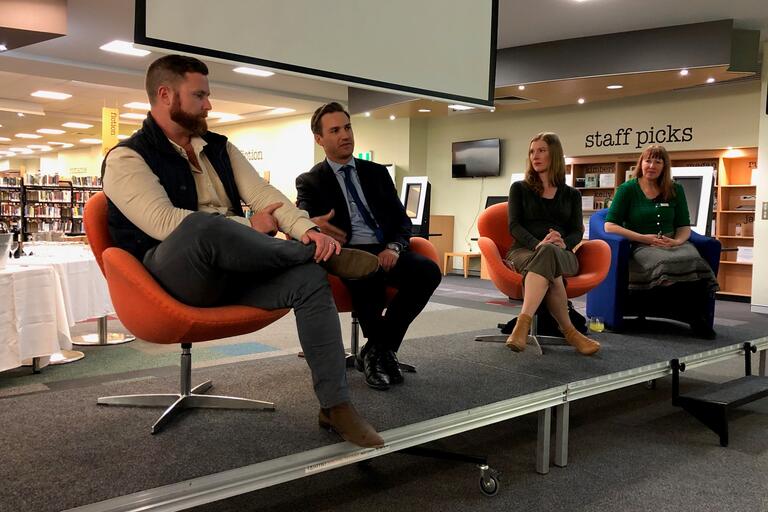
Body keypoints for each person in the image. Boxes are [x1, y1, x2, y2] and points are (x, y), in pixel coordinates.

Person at [102, 55, 384, 448]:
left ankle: (336, 406)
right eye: (199, 95)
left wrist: (308, 230)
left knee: (310, 280)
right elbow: (165, 223)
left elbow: (265, 196)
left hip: (234, 268)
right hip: (175, 277)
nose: (209, 104)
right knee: (199, 224)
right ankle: (313, 254)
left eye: (208, 95)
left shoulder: (218, 148)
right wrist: (249, 227)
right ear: (165, 95)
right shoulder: (126, 157)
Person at [296, 102, 442, 390]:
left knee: (428, 271)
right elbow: (302, 221)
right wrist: (312, 224)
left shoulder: (376, 173)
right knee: (367, 274)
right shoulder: (310, 181)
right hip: (347, 253)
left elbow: (402, 221)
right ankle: (381, 354)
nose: (344, 135)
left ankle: (376, 350)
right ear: (319, 139)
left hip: (386, 248)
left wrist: (394, 248)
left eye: (347, 127)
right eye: (335, 130)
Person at [604, 144, 719, 337]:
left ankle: (695, 317)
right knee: (665, 263)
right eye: (648, 160)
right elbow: (610, 226)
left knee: (696, 262)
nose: (652, 165)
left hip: (672, 243)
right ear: (641, 163)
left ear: (664, 166)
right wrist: (643, 238)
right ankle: (694, 316)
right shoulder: (627, 189)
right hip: (642, 245)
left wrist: (677, 242)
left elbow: (683, 226)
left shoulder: (675, 189)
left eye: (658, 161)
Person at [505, 132, 601, 355]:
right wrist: (539, 243)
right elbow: (514, 226)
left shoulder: (571, 195)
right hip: (523, 250)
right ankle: (571, 333)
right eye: (531, 151)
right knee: (548, 261)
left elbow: (578, 230)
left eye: (541, 151)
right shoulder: (519, 188)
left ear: (554, 155)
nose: (535, 156)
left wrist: (563, 243)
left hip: (563, 253)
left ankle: (522, 323)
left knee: (550, 254)